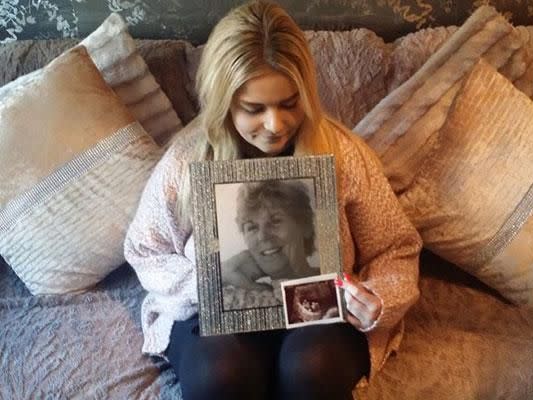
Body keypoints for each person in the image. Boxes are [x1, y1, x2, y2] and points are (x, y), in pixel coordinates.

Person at [123, 1, 421, 399]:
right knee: (221, 374)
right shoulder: (187, 159)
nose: (275, 124)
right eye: (254, 108)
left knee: (313, 367)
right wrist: (209, 284)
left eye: (288, 103)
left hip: (317, 321)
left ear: (307, 94)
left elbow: (395, 247)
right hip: (217, 320)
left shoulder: (342, 153)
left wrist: (378, 298)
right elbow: (146, 247)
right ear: (224, 101)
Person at [221, 179, 318, 292]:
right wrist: (221, 274)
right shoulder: (240, 297)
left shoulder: (335, 279)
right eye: (252, 227)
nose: (263, 236)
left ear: (305, 226)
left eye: (275, 221)